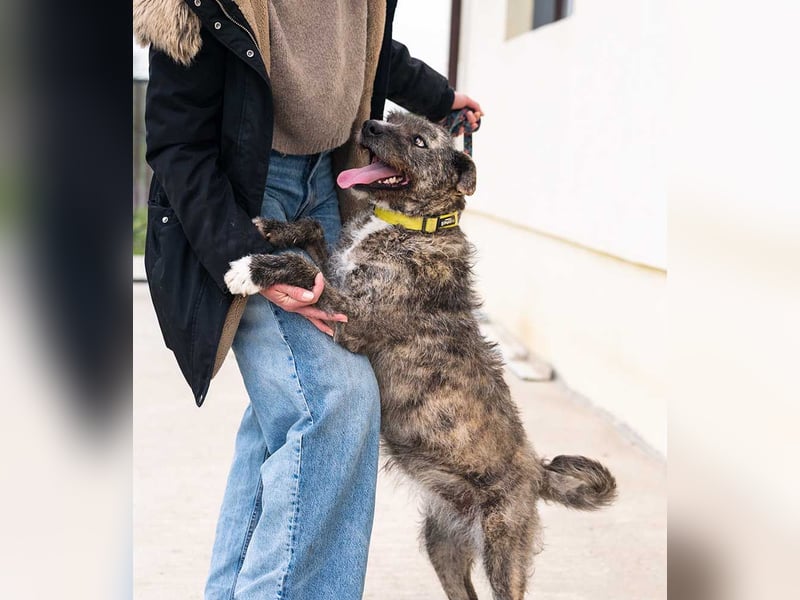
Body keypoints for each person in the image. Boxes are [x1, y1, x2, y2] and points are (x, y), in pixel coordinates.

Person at [134, 1, 481, 598]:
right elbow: (177, 144)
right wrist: (250, 259)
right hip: (244, 196)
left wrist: (441, 96)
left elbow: (364, 42)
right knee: (334, 402)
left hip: (329, 183)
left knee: (287, 415)